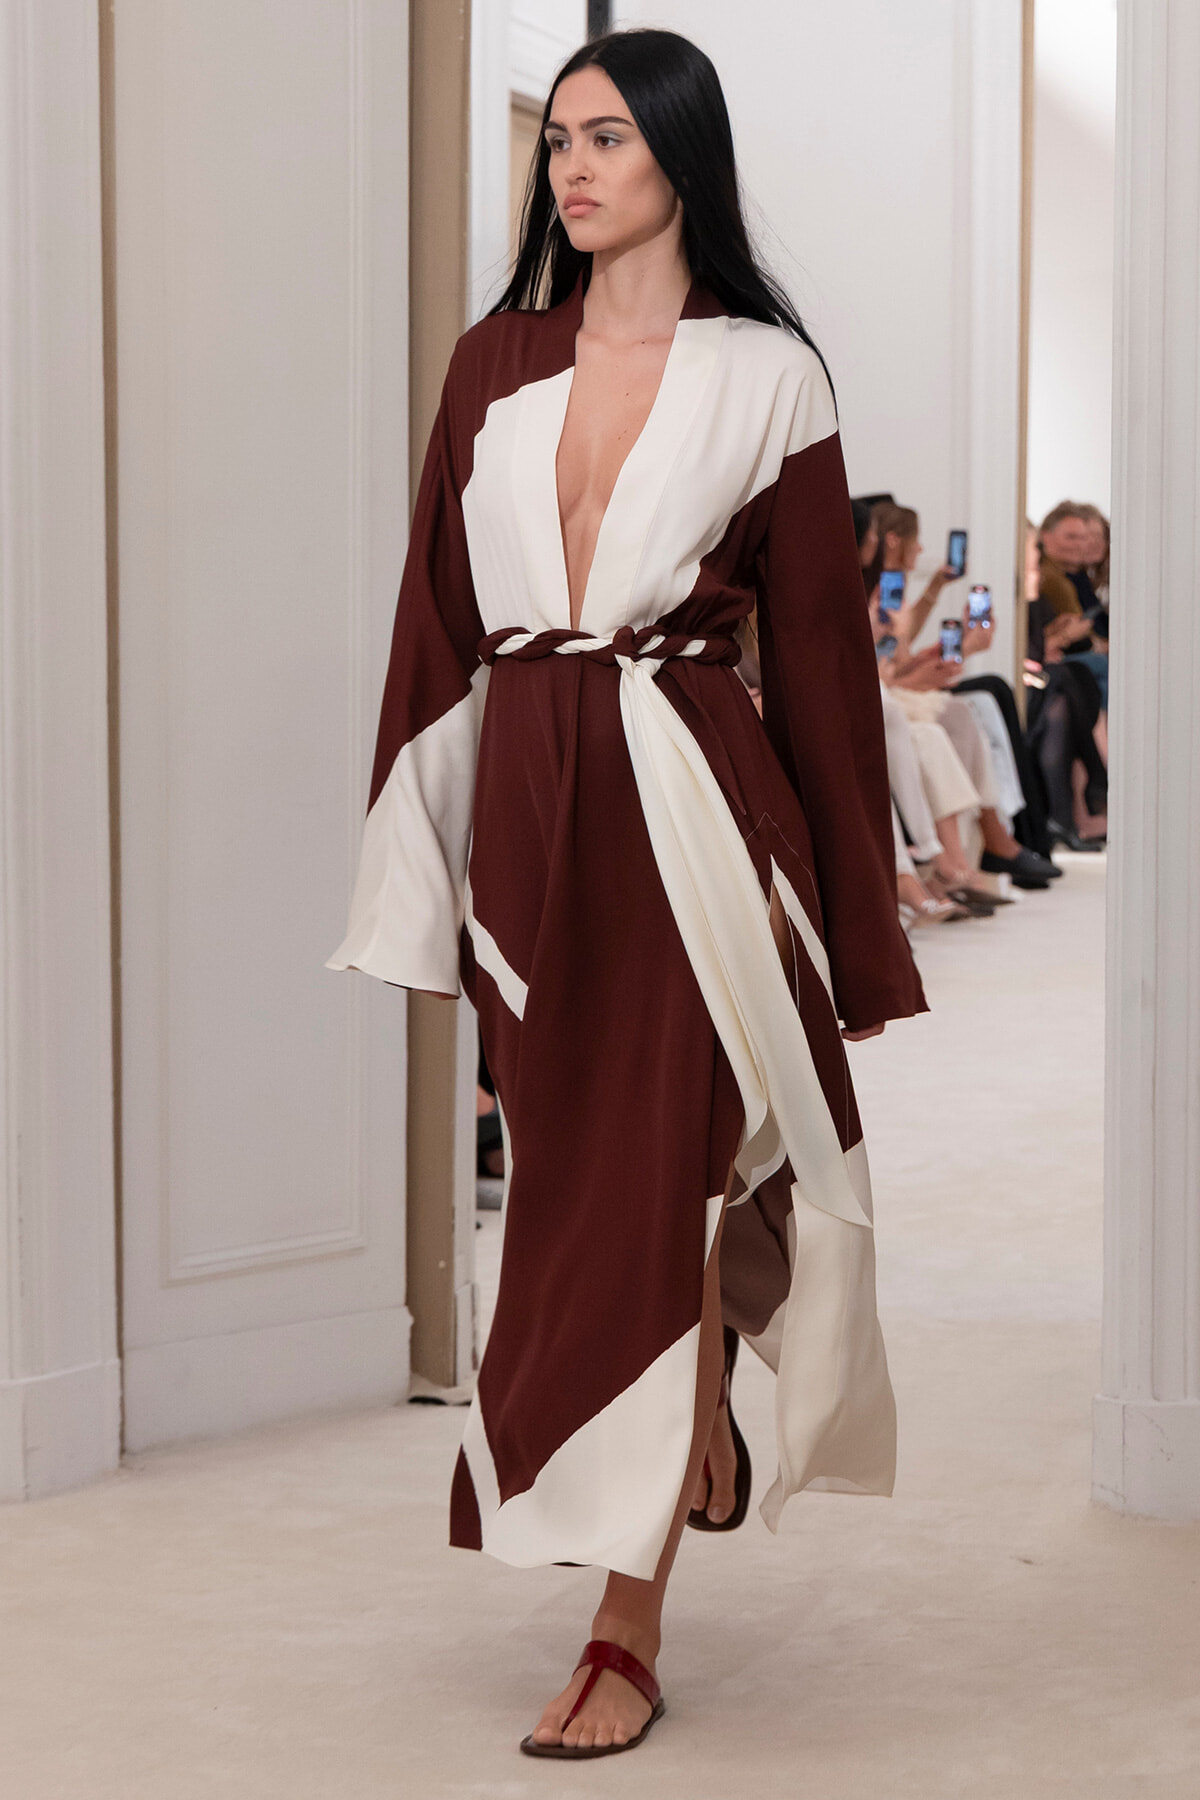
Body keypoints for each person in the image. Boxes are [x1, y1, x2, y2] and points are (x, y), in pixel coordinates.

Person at [328, 28, 925, 1759]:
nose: (571, 167)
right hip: (530, 802)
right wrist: (414, 869)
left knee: (638, 1177)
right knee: (587, 1180)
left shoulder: (770, 375)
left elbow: (817, 658)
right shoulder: (491, 359)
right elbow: (435, 627)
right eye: (560, 142)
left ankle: (623, 1625)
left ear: (681, 153)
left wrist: (857, 932)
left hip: (691, 796)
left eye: (608, 138)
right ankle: (702, 1393)